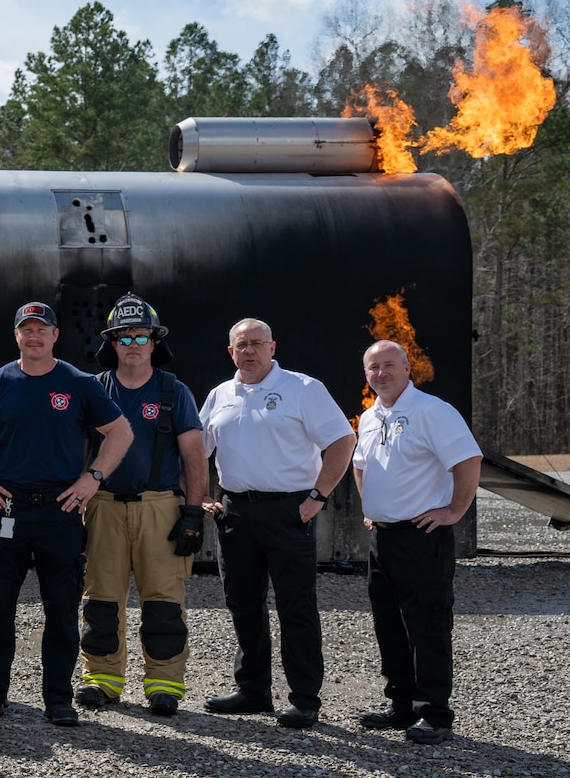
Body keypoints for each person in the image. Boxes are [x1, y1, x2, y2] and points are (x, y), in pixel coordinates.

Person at [0, 301, 133, 726]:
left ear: (54, 336)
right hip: (6, 508)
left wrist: (93, 478)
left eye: (41, 329)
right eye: (25, 330)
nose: (33, 336)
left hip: (59, 511)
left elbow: (120, 431)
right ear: (17, 336)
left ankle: (58, 700)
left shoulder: (79, 383)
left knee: (62, 609)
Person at [198, 318, 354, 729]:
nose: (249, 351)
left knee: (295, 607)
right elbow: (196, 450)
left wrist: (317, 497)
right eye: (241, 345)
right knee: (243, 603)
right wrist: (202, 496)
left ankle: (304, 698)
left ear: (272, 347)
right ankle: (253, 690)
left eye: (256, 343)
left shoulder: (303, 389)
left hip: (289, 510)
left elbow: (342, 441)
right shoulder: (220, 395)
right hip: (235, 512)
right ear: (230, 352)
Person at [73, 294, 209, 718]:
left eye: (141, 335)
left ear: (154, 342)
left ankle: (164, 684)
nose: (133, 343)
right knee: (100, 599)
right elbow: (78, 450)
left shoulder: (174, 391)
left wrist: (193, 512)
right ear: (112, 343)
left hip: (159, 507)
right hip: (104, 506)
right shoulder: (93, 389)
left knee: (164, 600)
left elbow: (194, 456)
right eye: (124, 336)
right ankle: (102, 679)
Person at [353, 340, 481, 745]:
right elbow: (360, 466)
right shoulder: (371, 416)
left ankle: (435, 713)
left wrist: (454, 512)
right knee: (388, 624)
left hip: (423, 536)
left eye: (389, 365)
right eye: (374, 368)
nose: (381, 374)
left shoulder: (433, 411)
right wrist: (370, 506)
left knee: (427, 624)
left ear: (408, 369)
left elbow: (468, 461)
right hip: (383, 538)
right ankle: (401, 705)